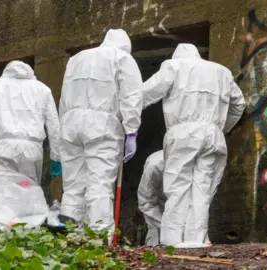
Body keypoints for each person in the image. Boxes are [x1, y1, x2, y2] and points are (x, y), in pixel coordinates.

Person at [142, 44, 246, 247]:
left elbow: (145, 93)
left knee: (178, 186)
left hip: (183, 133)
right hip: (213, 135)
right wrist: (221, 128)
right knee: (202, 189)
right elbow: (239, 104)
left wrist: (123, 113)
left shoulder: (173, 66)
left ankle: (171, 241)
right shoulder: (222, 72)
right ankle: (195, 240)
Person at [58, 29, 143, 233]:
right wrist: (131, 130)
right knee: (100, 185)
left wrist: (63, 127)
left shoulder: (77, 58)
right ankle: (99, 244)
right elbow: (131, 96)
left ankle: (69, 241)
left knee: (73, 188)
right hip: (101, 125)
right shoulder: (122, 58)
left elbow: (63, 95)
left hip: (70, 124)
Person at [0, 60, 62, 185]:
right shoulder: (43, 90)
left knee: (1, 198)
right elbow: (54, 125)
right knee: (28, 196)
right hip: (32, 151)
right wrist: (57, 157)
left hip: (3, 150)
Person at [137, 150, 166, 246]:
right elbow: (146, 201)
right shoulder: (155, 165)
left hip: (182, 203)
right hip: (157, 202)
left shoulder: (196, 162)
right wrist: (166, 226)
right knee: (156, 234)